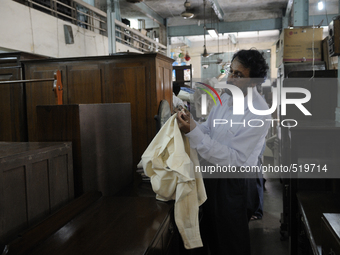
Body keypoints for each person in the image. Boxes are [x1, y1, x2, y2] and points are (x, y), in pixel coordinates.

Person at [176, 49, 270, 254]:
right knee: (213, 236)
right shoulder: (225, 101)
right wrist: (191, 124)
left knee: (231, 242)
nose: (231, 78)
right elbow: (209, 130)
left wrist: (194, 133)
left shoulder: (258, 112)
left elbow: (234, 159)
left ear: (253, 81)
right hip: (213, 176)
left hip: (235, 184)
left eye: (239, 75)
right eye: (231, 72)